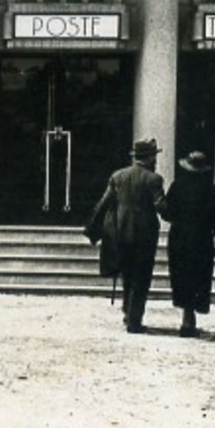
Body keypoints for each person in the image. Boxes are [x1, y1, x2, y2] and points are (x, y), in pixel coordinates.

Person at [88, 137, 166, 333]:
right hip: (145, 236)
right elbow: (161, 207)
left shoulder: (118, 176)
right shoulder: (154, 179)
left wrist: (92, 228)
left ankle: (127, 312)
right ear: (148, 158)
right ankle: (134, 320)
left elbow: (103, 203)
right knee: (142, 277)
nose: (155, 161)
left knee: (127, 274)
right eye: (154, 157)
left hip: (121, 233)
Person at [164, 148, 215, 338]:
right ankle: (190, 319)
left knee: (181, 276)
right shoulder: (211, 189)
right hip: (202, 239)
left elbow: (167, 213)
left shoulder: (177, 186)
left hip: (179, 237)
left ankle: (187, 317)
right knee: (199, 277)